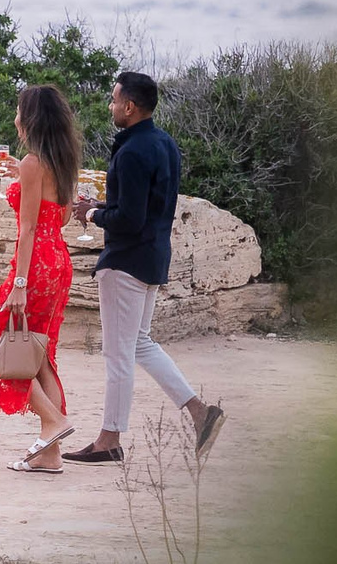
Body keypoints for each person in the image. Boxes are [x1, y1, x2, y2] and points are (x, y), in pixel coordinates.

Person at [65, 71, 224, 464]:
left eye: (114, 100)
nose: (111, 106)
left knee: (118, 355)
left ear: (130, 106)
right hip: (153, 257)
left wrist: (92, 215)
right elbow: (148, 210)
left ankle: (109, 440)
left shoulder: (132, 151)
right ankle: (199, 412)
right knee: (138, 344)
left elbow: (129, 219)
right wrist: (102, 209)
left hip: (126, 261)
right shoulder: (165, 144)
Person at [0, 84, 82, 473]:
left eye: (19, 111)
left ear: (31, 118)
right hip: (59, 261)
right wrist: (20, 175)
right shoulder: (62, 160)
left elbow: (29, 229)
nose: (15, 119)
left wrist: (19, 285)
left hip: (36, 263)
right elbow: (64, 217)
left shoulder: (33, 162)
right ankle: (50, 455)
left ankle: (54, 422)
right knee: (40, 355)